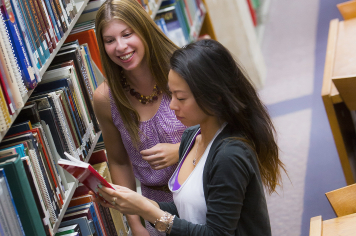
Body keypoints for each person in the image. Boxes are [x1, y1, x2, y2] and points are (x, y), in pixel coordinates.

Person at [93, 39, 287, 236]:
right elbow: (191, 211)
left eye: (181, 98)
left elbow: (217, 233)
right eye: (172, 95)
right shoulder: (192, 137)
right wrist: (138, 203)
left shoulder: (230, 155)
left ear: (215, 95)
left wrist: (148, 211)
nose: (172, 105)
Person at [93, 0, 187, 235]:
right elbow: (119, 161)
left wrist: (180, 150)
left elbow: (219, 129)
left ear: (143, 29)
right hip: (152, 206)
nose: (121, 46)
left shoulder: (181, 70)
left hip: (200, 187)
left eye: (127, 34)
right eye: (110, 40)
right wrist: (136, 224)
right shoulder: (105, 98)